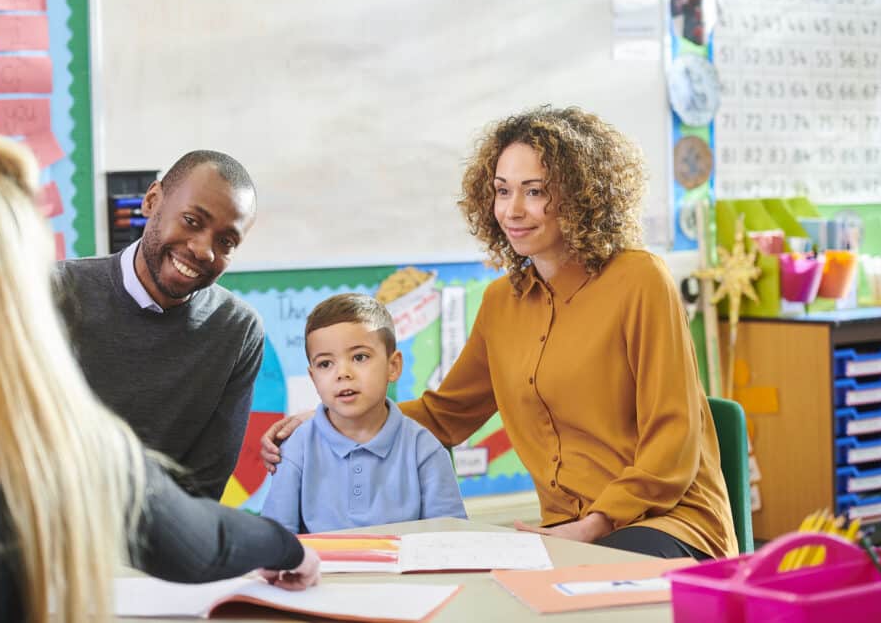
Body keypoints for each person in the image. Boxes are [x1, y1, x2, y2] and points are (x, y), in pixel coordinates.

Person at [0, 131, 318, 623]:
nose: (204, 249)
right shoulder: (53, 434)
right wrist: (286, 547)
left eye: (226, 240)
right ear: (22, 296)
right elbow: (198, 540)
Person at [263, 106, 738, 560]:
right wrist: (332, 422)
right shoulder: (500, 304)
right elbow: (445, 416)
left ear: (580, 194)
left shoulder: (640, 279)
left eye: (534, 191)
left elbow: (673, 435)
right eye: (502, 190)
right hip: (564, 534)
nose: (512, 210)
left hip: (667, 523)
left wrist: (596, 524)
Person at [55, 150, 263, 498]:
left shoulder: (237, 330)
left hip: (163, 535)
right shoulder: (54, 293)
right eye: (192, 221)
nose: (203, 250)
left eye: (225, 242)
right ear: (152, 201)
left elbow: (205, 487)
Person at [260, 293, 466, 533]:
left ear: (393, 366)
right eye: (326, 364)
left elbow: (450, 540)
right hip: (319, 571)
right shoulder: (297, 448)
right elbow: (274, 542)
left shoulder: (425, 449)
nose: (343, 373)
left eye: (359, 357)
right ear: (313, 377)